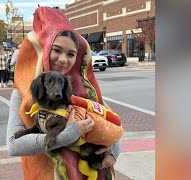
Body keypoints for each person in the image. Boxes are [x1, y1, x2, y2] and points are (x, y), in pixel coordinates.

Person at [7, 7, 121, 180]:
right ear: (45, 49)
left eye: (71, 54)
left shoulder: (85, 88)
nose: (63, 59)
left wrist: (113, 152)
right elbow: (14, 146)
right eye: (57, 50)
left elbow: (113, 121)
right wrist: (69, 134)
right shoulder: (23, 91)